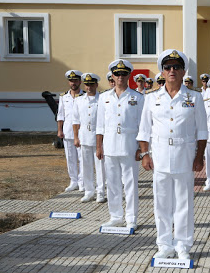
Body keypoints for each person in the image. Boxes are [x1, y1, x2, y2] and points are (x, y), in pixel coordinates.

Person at [138, 50, 207, 260]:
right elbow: (144, 129)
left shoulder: (194, 97)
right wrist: (144, 154)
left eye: (176, 67)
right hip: (159, 155)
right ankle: (164, 244)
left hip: (184, 156)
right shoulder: (151, 98)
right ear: (162, 71)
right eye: (168, 67)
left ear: (184, 71)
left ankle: (183, 245)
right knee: (161, 203)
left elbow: (202, 130)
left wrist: (199, 156)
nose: (172, 71)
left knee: (184, 203)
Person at [96, 59, 145, 230]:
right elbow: (100, 125)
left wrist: (142, 148)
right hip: (110, 146)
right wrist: (99, 146)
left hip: (129, 146)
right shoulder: (103, 98)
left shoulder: (137, 98)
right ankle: (116, 216)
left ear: (129, 75)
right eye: (117, 74)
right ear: (113, 76)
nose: (120, 77)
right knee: (113, 183)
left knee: (130, 184)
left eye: (124, 74)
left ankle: (131, 217)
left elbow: (142, 125)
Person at [73, 73, 106, 203]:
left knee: (100, 167)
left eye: (91, 84)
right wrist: (76, 137)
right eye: (87, 84)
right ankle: (89, 191)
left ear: (96, 85)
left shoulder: (102, 99)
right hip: (84, 137)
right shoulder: (79, 100)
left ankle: (101, 192)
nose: (89, 87)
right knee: (85, 166)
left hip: (99, 139)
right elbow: (75, 121)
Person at [57, 70, 84, 192]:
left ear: (80, 81)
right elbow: (60, 115)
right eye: (71, 81)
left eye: (76, 80)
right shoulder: (63, 97)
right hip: (67, 131)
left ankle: (82, 181)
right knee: (70, 158)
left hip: (82, 132)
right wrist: (59, 130)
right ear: (69, 82)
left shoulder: (84, 96)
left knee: (82, 158)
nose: (73, 83)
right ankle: (73, 181)